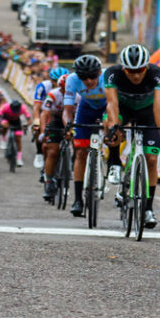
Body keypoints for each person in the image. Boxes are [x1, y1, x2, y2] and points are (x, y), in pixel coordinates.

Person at [103, 44, 160, 228]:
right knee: (110, 126)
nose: (135, 75)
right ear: (123, 68)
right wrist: (115, 124)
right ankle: (114, 160)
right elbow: (112, 103)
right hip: (123, 109)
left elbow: (159, 104)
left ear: (147, 67)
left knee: (151, 159)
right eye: (130, 70)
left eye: (140, 70)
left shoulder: (158, 74)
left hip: (147, 112)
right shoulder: (112, 73)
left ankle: (148, 208)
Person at [62, 55, 107, 215]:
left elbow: (115, 105)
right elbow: (67, 110)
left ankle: (114, 161)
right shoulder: (72, 79)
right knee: (80, 152)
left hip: (106, 108)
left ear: (99, 72)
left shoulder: (107, 77)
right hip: (86, 109)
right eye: (84, 78)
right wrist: (68, 125)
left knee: (112, 130)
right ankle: (77, 199)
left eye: (92, 76)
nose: (88, 81)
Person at [31, 67, 68, 172]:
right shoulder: (43, 87)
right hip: (46, 111)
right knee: (38, 127)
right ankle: (39, 153)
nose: (57, 83)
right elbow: (36, 107)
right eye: (55, 81)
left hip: (61, 112)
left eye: (59, 81)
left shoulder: (68, 88)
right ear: (51, 80)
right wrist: (36, 122)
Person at [40, 74, 69, 201]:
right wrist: (42, 131)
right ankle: (49, 182)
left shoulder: (78, 96)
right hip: (55, 121)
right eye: (62, 89)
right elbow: (44, 113)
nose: (64, 92)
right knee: (52, 151)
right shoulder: (52, 94)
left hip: (71, 120)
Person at [0, 100, 31, 166]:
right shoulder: (5, 107)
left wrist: (26, 125)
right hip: (6, 118)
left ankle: (19, 158)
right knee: (5, 125)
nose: (15, 111)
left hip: (16, 121)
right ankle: (3, 139)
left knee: (18, 139)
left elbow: (29, 120)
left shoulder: (23, 108)